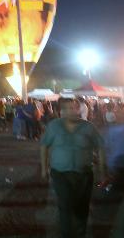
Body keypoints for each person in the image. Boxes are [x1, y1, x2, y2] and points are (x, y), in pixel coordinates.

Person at [40, 98, 106, 238]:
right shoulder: (54, 126)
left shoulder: (89, 127)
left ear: (79, 109)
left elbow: (100, 147)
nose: (72, 111)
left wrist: (102, 171)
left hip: (84, 174)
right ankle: (67, 234)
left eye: (75, 108)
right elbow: (44, 146)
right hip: (60, 174)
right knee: (65, 205)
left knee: (81, 207)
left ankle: (80, 233)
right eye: (67, 108)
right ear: (61, 111)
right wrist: (44, 168)